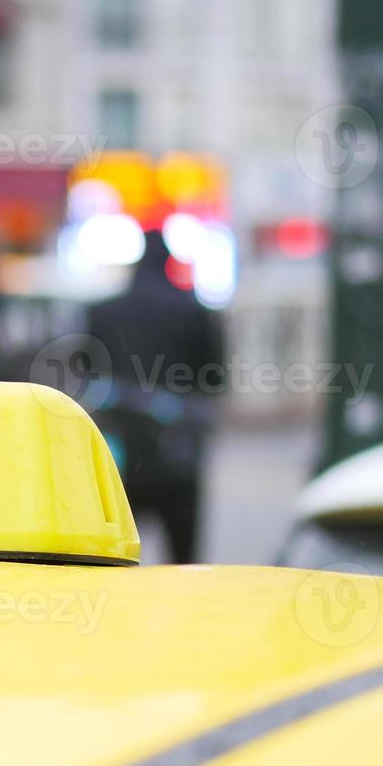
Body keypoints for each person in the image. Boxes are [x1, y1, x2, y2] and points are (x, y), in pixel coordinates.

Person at [87, 229, 224, 563]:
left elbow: (86, 370)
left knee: (111, 560)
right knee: (183, 561)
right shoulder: (193, 312)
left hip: (118, 453)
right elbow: (214, 377)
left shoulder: (102, 312)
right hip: (176, 452)